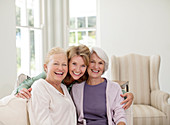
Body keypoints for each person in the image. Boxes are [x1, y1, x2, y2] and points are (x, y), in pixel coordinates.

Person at [16, 45, 134, 109]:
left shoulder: (84, 77)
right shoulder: (55, 73)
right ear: (68, 62)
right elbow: (26, 83)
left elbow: (103, 87)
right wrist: (21, 90)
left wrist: (127, 93)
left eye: (83, 65)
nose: (78, 70)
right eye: (74, 64)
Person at [71, 47, 126, 125]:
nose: (96, 67)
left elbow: (120, 115)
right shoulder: (76, 89)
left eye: (100, 63)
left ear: (104, 67)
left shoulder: (114, 88)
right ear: (86, 64)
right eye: (92, 62)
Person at [28, 47, 76, 125]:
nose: (60, 68)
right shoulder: (40, 86)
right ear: (46, 67)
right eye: (56, 64)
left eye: (64, 64)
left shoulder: (63, 88)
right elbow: (42, 121)